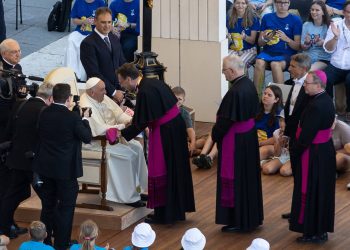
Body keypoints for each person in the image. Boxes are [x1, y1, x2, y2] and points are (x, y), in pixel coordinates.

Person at [117, 63, 195, 224]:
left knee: (164, 170)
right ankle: (175, 210)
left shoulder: (144, 91)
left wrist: (121, 135)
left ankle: (165, 214)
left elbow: (141, 122)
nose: (122, 86)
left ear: (130, 79)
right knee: (175, 170)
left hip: (165, 132)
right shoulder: (153, 82)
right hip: (174, 128)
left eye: (122, 82)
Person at [33, 83, 92, 250]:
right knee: (66, 208)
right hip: (65, 171)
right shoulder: (73, 117)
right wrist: (85, 119)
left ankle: (45, 241)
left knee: (48, 205)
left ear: (53, 96)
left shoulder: (43, 113)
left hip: (45, 168)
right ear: (69, 99)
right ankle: (61, 244)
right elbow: (87, 137)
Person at [80, 77, 148, 207]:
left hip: (112, 138)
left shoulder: (101, 97)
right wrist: (123, 127)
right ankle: (128, 197)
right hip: (97, 143)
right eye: (102, 90)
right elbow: (99, 129)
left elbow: (118, 114)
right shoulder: (85, 105)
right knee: (128, 155)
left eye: (105, 88)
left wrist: (131, 121)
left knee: (137, 147)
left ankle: (138, 189)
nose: (105, 92)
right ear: (92, 92)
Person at [213, 55, 262, 232]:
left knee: (236, 179)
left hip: (236, 142)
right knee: (247, 179)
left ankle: (237, 219)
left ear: (232, 71)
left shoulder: (235, 91)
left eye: (224, 70)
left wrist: (215, 134)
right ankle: (250, 216)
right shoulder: (248, 85)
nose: (223, 73)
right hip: (247, 138)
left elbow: (225, 122)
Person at [0, 83, 54, 239]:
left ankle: (3, 229)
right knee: (48, 199)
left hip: (16, 160)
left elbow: (9, 131)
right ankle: (46, 235)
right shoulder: (45, 111)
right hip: (35, 163)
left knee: (12, 195)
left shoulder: (20, 105)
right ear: (50, 98)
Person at [289, 70, 336, 243]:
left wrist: (295, 150)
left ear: (318, 85)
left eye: (307, 83)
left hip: (313, 153)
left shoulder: (317, 105)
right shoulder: (325, 99)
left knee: (310, 190)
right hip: (323, 151)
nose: (304, 86)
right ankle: (319, 229)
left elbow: (306, 135)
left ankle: (312, 231)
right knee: (321, 191)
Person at [281, 53, 311, 220]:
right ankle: (297, 208)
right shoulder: (293, 83)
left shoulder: (310, 87)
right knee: (297, 176)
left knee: (302, 176)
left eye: (293, 66)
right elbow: (290, 110)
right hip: (293, 135)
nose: (289, 68)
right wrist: (287, 134)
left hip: (302, 138)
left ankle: (303, 210)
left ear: (303, 68)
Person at [253, 0, 302, 96]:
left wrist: (286, 39)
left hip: (287, 54)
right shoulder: (267, 17)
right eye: (279, 2)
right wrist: (265, 38)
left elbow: (297, 46)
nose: (282, 5)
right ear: (275, 3)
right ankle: (256, 97)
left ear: (289, 3)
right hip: (268, 52)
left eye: (285, 2)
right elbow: (260, 43)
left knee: (275, 65)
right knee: (259, 62)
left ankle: (281, 100)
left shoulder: (295, 19)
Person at [80, 7, 126, 103]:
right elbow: (94, 73)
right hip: (101, 95)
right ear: (95, 21)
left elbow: (123, 64)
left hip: (120, 91)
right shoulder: (87, 43)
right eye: (103, 22)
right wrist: (113, 92)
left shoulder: (114, 38)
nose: (107, 26)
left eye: (109, 22)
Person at [64, 0, 106, 81]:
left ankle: (81, 77)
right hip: (80, 31)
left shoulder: (100, 2)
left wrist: (95, 22)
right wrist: (83, 21)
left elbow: (105, 21)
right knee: (71, 40)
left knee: (84, 45)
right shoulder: (78, 1)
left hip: (95, 32)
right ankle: (70, 72)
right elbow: (74, 20)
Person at [323, 1, 350, 121]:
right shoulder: (336, 25)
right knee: (325, 79)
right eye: (349, 12)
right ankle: (328, 110)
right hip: (336, 64)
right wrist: (336, 37)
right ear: (344, 13)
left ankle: (349, 110)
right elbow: (328, 49)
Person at [226, 0, 260, 71]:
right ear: (234, 4)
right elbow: (227, 36)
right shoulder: (229, 17)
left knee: (239, 65)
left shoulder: (253, 17)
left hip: (249, 50)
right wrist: (228, 37)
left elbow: (252, 41)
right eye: (238, 3)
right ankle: (227, 82)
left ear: (247, 4)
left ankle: (243, 82)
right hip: (233, 48)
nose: (240, 5)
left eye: (243, 3)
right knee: (223, 62)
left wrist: (244, 37)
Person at [301, 1, 331, 70]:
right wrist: (307, 43)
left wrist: (323, 43)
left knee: (308, 71)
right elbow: (303, 47)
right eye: (312, 10)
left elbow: (332, 48)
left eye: (317, 10)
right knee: (295, 67)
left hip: (323, 58)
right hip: (307, 57)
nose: (314, 12)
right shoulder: (306, 25)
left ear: (323, 12)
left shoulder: (329, 25)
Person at [256, 85, 283, 161]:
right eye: (264, 93)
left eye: (269, 95)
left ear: (276, 99)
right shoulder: (257, 110)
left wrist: (259, 143)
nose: (265, 96)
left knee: (256, 153)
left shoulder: (279, 115)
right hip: (256, 141)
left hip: (271, 144)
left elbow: (276, 138)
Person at [261, 112, 292, 176]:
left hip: (293, 157)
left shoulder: (295, 132)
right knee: (266, 169)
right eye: (280, 120)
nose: (281, 123)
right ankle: (272, 163)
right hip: (283, 156)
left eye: (284, 121)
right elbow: (277, 154)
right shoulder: (276, 132)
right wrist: (279, 143)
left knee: (284, 171)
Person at [172, 86, 196, 156]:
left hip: (181, 139)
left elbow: (190, 130)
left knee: (192, 145)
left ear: (183, 101)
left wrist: (192, 143)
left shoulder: (184, 113)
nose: (177, 101)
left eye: (179, 99)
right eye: (175, 98)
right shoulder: (165, 110)